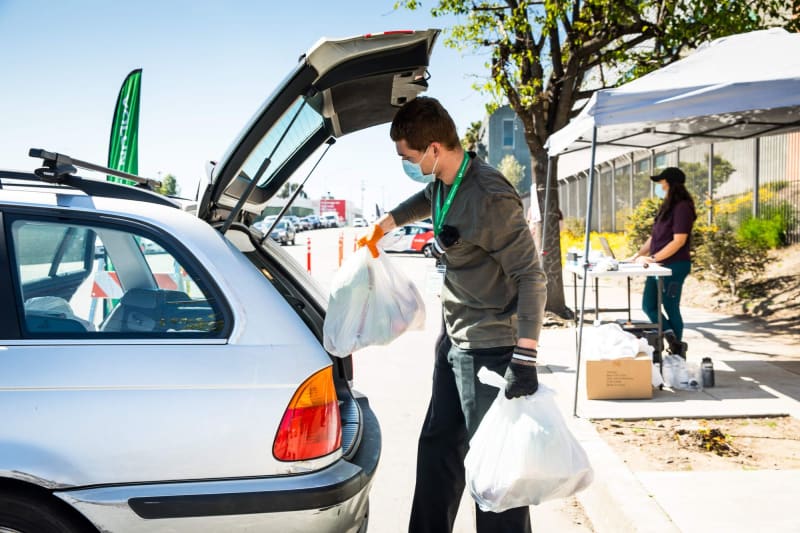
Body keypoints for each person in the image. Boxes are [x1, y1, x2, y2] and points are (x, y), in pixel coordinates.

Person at [358, 97, 547, 533]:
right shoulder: (445, 182)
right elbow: (423, 201)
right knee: (438, 447)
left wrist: (526, 355)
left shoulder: (490, 197)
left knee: (493, 469)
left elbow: (531, 276)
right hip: (455, 337)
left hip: (492, 347)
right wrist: (382, 227)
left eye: (407, 155)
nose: (405, 161)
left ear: (434, 148)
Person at [631, 166, 696, 356]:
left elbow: (679, 241)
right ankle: (671, 336)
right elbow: (655, 238)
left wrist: (652, 258)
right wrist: (636, 255)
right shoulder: (667, 207)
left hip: (674, 266)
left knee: (670, 306)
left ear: (670, 183)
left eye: (661, 182)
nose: (660, 186)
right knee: (648, 305)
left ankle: (677, 351)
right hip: (657, 266)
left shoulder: (683, 207)